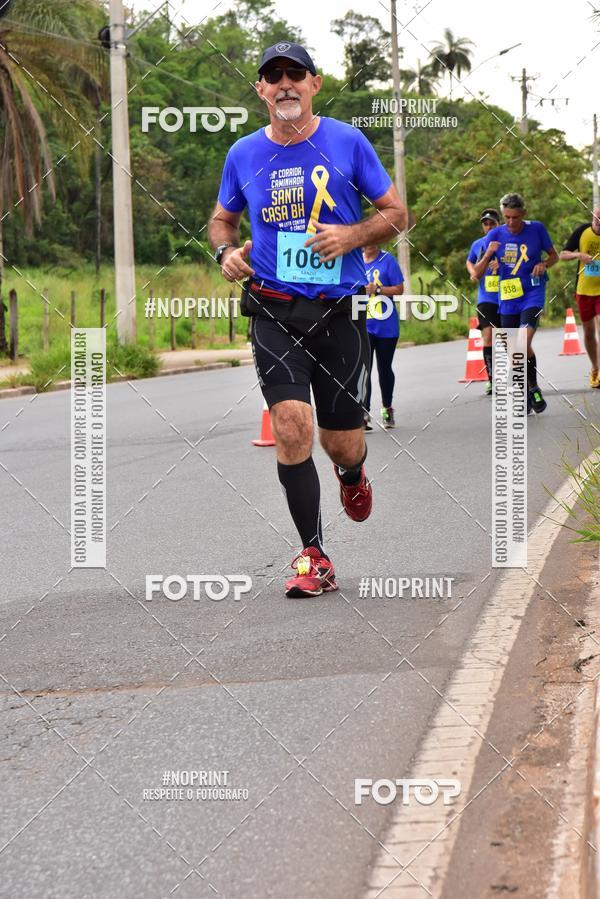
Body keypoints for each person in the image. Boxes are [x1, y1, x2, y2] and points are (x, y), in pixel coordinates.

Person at [208, 41, 407, 598]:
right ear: (261, 90)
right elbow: (223, 219)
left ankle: (352, 475)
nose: (285, 84)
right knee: (292, 426)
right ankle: (313, 555)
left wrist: (353, 235)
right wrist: (225, 253)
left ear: (315, 84)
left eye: (295, 74)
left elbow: (397, 213)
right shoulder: (243, 153)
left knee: (341, 441)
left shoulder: (347, 141)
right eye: (273, 76)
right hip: (273, 310)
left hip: (339, 311)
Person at [472, 193, 559, 414]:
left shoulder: (537, 229)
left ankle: (531, 388)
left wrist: (544, 264)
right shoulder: (494, 235)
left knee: (522, 341)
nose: (511, 222)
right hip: (508, 297)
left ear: (524, 214)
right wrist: (488, 254)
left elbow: (554, 255)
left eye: (515, 217)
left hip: (532, 292)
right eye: (507, 217)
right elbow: (476, 274)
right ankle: (528, 391)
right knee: (514, 349)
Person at [362, 245, 404, 429]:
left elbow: (399, 289)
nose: (369, 244)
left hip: (386, 325)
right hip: (363, 324)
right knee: (364, 369)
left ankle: (387, 408)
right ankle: (364, 413)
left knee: (384, 368)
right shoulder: (355, 261)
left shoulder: (388, 260)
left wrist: (377, 290)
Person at [559, 207, 600, 387]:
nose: (598, 222)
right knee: (589, 333)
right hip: (584, 291)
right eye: (596, 218)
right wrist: (579, 255)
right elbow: (562, 255)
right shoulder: (582, 231)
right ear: (592, 217)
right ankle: (595, 368)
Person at [466, 208, 501, 395]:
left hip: (507, 297)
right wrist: (473, 270)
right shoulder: (478, 245)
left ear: (499, 225)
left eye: (492, 224)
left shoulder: (508, 242)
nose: (488, 227)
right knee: (488, 335)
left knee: (507, 338)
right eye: (485, 224)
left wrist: (501, 265)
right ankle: (492, 380)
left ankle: (518, 376)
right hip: (486, 298)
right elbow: (469, 261)